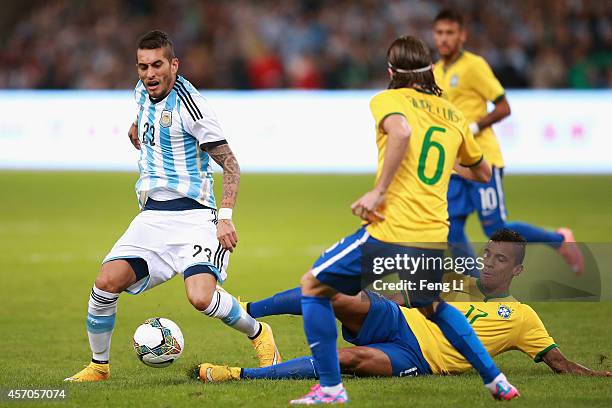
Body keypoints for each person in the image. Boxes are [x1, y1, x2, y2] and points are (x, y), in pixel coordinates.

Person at [284, 35, 518, 404]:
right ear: (429, 71)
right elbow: (483, 173)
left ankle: (330, 389)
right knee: (431, 305)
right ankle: (496, 380)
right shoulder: (453, 113)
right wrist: (445, 167)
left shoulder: (388, 100)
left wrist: (379, 191)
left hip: (393, 229)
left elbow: (403, 132)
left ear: (391, 71)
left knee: (313, 287)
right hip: (432, 234)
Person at [64, 30, 280, 382]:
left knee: (200, 298)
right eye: (143, 66)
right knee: (106, 282)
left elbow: (231, 164)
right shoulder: (141, 91)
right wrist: (137, 128)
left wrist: (224, 218)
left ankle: (259, 333)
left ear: (174, 65)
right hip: (152, 218)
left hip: (195, 217)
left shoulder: (192, 108)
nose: (150, 74)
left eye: (157, 65)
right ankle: (99, 367)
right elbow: (144, 110)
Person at [197, 229, 611, 381]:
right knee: (331, 292)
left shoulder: (522, 318)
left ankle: (239, 375)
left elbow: (559, 363)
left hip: (416, 356)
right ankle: (248, 309)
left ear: (517, 272)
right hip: (396, 318)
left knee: (351, 359)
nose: (488, 264)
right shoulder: (460, 277)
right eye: (487, 255)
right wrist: (379, 299)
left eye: (500, 260)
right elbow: (410, 295)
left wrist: (598, 373)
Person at [432, 9, 584, 276]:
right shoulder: (436, 72)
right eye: (440, 33)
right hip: (455, 163)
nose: (444, 39)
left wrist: (474, 126)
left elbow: (503, 107)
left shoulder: (474, 66)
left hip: (482, 161)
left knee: (494, 229)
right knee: (451, 227)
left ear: (462, 35)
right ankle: (477, 286)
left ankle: (559, 240)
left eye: (450, 33)